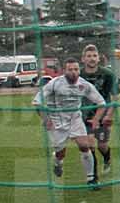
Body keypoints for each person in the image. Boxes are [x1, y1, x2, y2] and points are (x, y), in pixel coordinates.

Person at [34, 57, 105, 187]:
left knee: (84, 145)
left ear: (79, 70)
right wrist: (46, 119)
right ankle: (58, 162)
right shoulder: (54, 84)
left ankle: (91, 179)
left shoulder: (84, 85)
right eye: (70, 69)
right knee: (61, 153)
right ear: (63, 71)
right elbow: (37, 102)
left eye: (76, 69)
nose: (73, 72)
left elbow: (101, 103)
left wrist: (96, 119)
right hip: (56, 121)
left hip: (75, 119)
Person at [78, 44, 118, 170]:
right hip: (85, 116)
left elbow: (115, 97)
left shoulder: (108, 75)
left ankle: (107, 158)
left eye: (94, 56)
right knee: (89, 144)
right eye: (89, 56)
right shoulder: (78, 75)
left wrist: (109, 115)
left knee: (102, 145)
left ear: (98, 58)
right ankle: (93, 175)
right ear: (83, 59)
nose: (92, 58)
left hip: (102, 115)